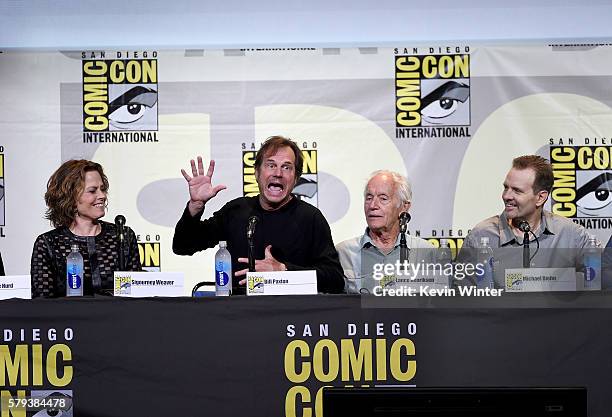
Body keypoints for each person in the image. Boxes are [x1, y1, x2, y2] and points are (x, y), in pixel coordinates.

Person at [173, 135, 345, 294]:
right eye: (271, 165)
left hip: (291, 318)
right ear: (256, 173)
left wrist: (283, 271)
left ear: (296, 178)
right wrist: (195, 205)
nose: (278, 173)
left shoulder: (311, 218)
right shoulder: (237, 210)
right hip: (238, 316)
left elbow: (335, 279)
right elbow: (183, 245)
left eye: (286, 167)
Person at [458, 155, 598, 287]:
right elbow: (460, 297)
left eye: (517, 191)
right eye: (506, 187)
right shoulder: (481, 236)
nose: (506, 196)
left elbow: (603, 278)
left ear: (540, 198)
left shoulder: (570, 234)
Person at [31, 160, 141, 298]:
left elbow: (136, 297)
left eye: (103, 189)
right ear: (70, 197)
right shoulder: (48, 243)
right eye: (92, 191)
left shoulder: (123, 235)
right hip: (69, 319)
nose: (102, 196)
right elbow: (42, 304)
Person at [336, 170, 435, 294]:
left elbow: (440, 306)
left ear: (404, 207)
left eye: (383, 198)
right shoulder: (344, 253)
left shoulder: (426, 253)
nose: (373, 205)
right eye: (369, 197)